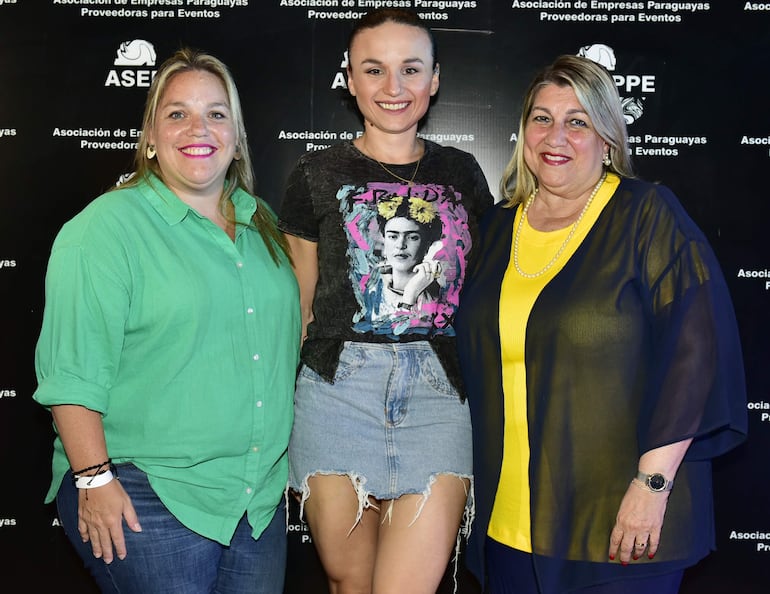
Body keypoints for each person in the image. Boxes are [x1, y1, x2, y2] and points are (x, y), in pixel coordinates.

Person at [455, 54, 748, 594]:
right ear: (522, 132)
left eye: (577, 121)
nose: (555, 135)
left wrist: (651, 486)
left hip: (620, 527)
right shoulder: (496, 228)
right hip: (509, 526)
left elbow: (697, 356)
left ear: (608, 138)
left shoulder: (647, 214)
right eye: (541, 118)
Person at [33, 48, 300, 594]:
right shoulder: (105, 229)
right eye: (177, 113)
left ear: (235, 135)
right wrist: (94, 479)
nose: (198, 127)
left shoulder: (263, 223)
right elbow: (70, 373)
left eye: (216, 113)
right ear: (150, 136)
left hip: (256, 499)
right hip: (144, 491)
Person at [278, 8, 493, 594]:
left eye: (410, 69)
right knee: (350, 583)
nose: (393, 88)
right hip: (337, 394)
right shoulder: (315, 173)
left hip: (438, 397)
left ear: (435, 79)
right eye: (374, 70)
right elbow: (300, 302)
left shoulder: (463, 172)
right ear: (350, 79)